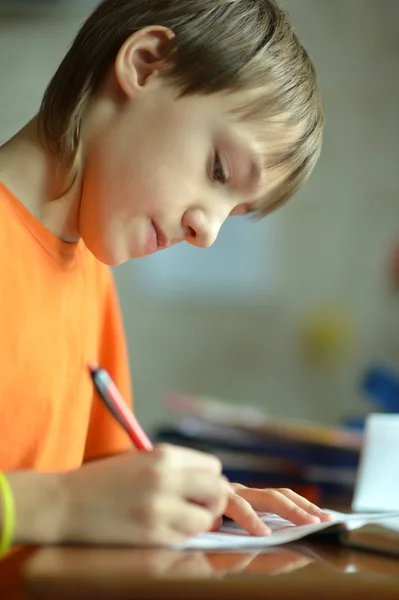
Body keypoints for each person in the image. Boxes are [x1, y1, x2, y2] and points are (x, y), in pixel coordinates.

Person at [0, 0, 333, 549]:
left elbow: (100, 487)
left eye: (237, 212)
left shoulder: (88, 275)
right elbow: (68, 502)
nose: (209, 233)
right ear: (146, 63)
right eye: (219, 170)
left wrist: (187, 502)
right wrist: (57, 506)